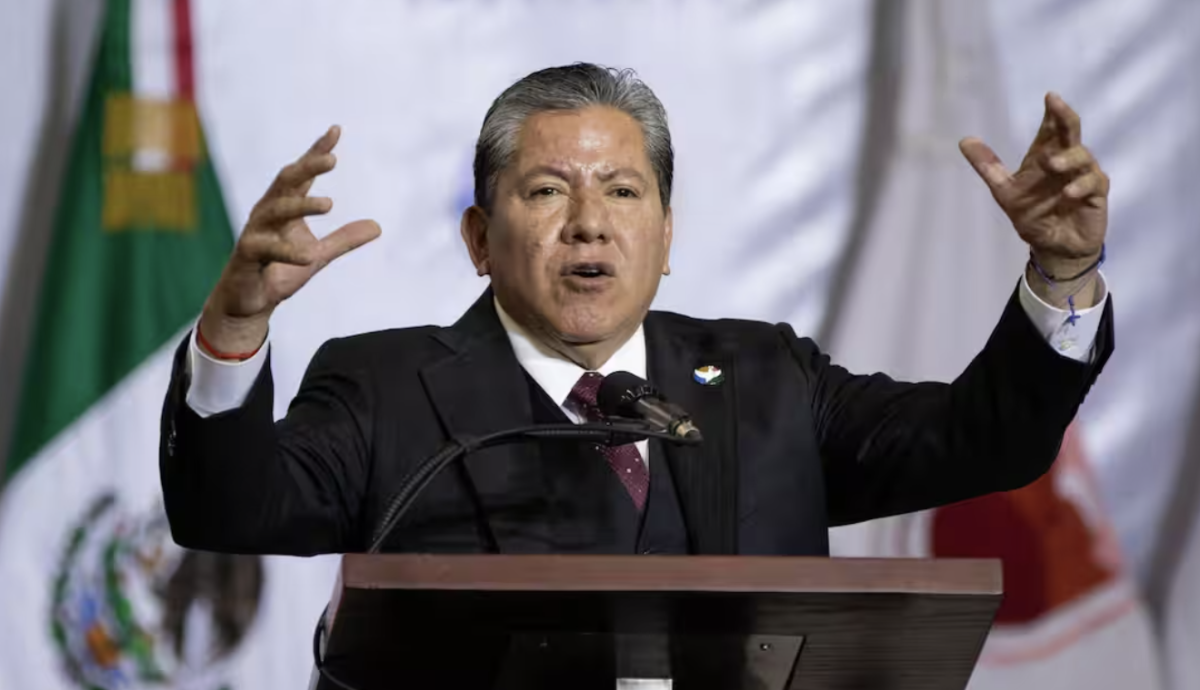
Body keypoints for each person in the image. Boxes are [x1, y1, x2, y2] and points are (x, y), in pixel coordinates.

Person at [159, 63, 1112, 557]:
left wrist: (1062, 271)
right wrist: (235, 329)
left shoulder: (768, 381)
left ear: (665, 235)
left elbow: (985, 441)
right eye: (546, 192)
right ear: (479, 240)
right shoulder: (386, 389)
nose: (590, 224)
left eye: (622, 192)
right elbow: (229, 510)